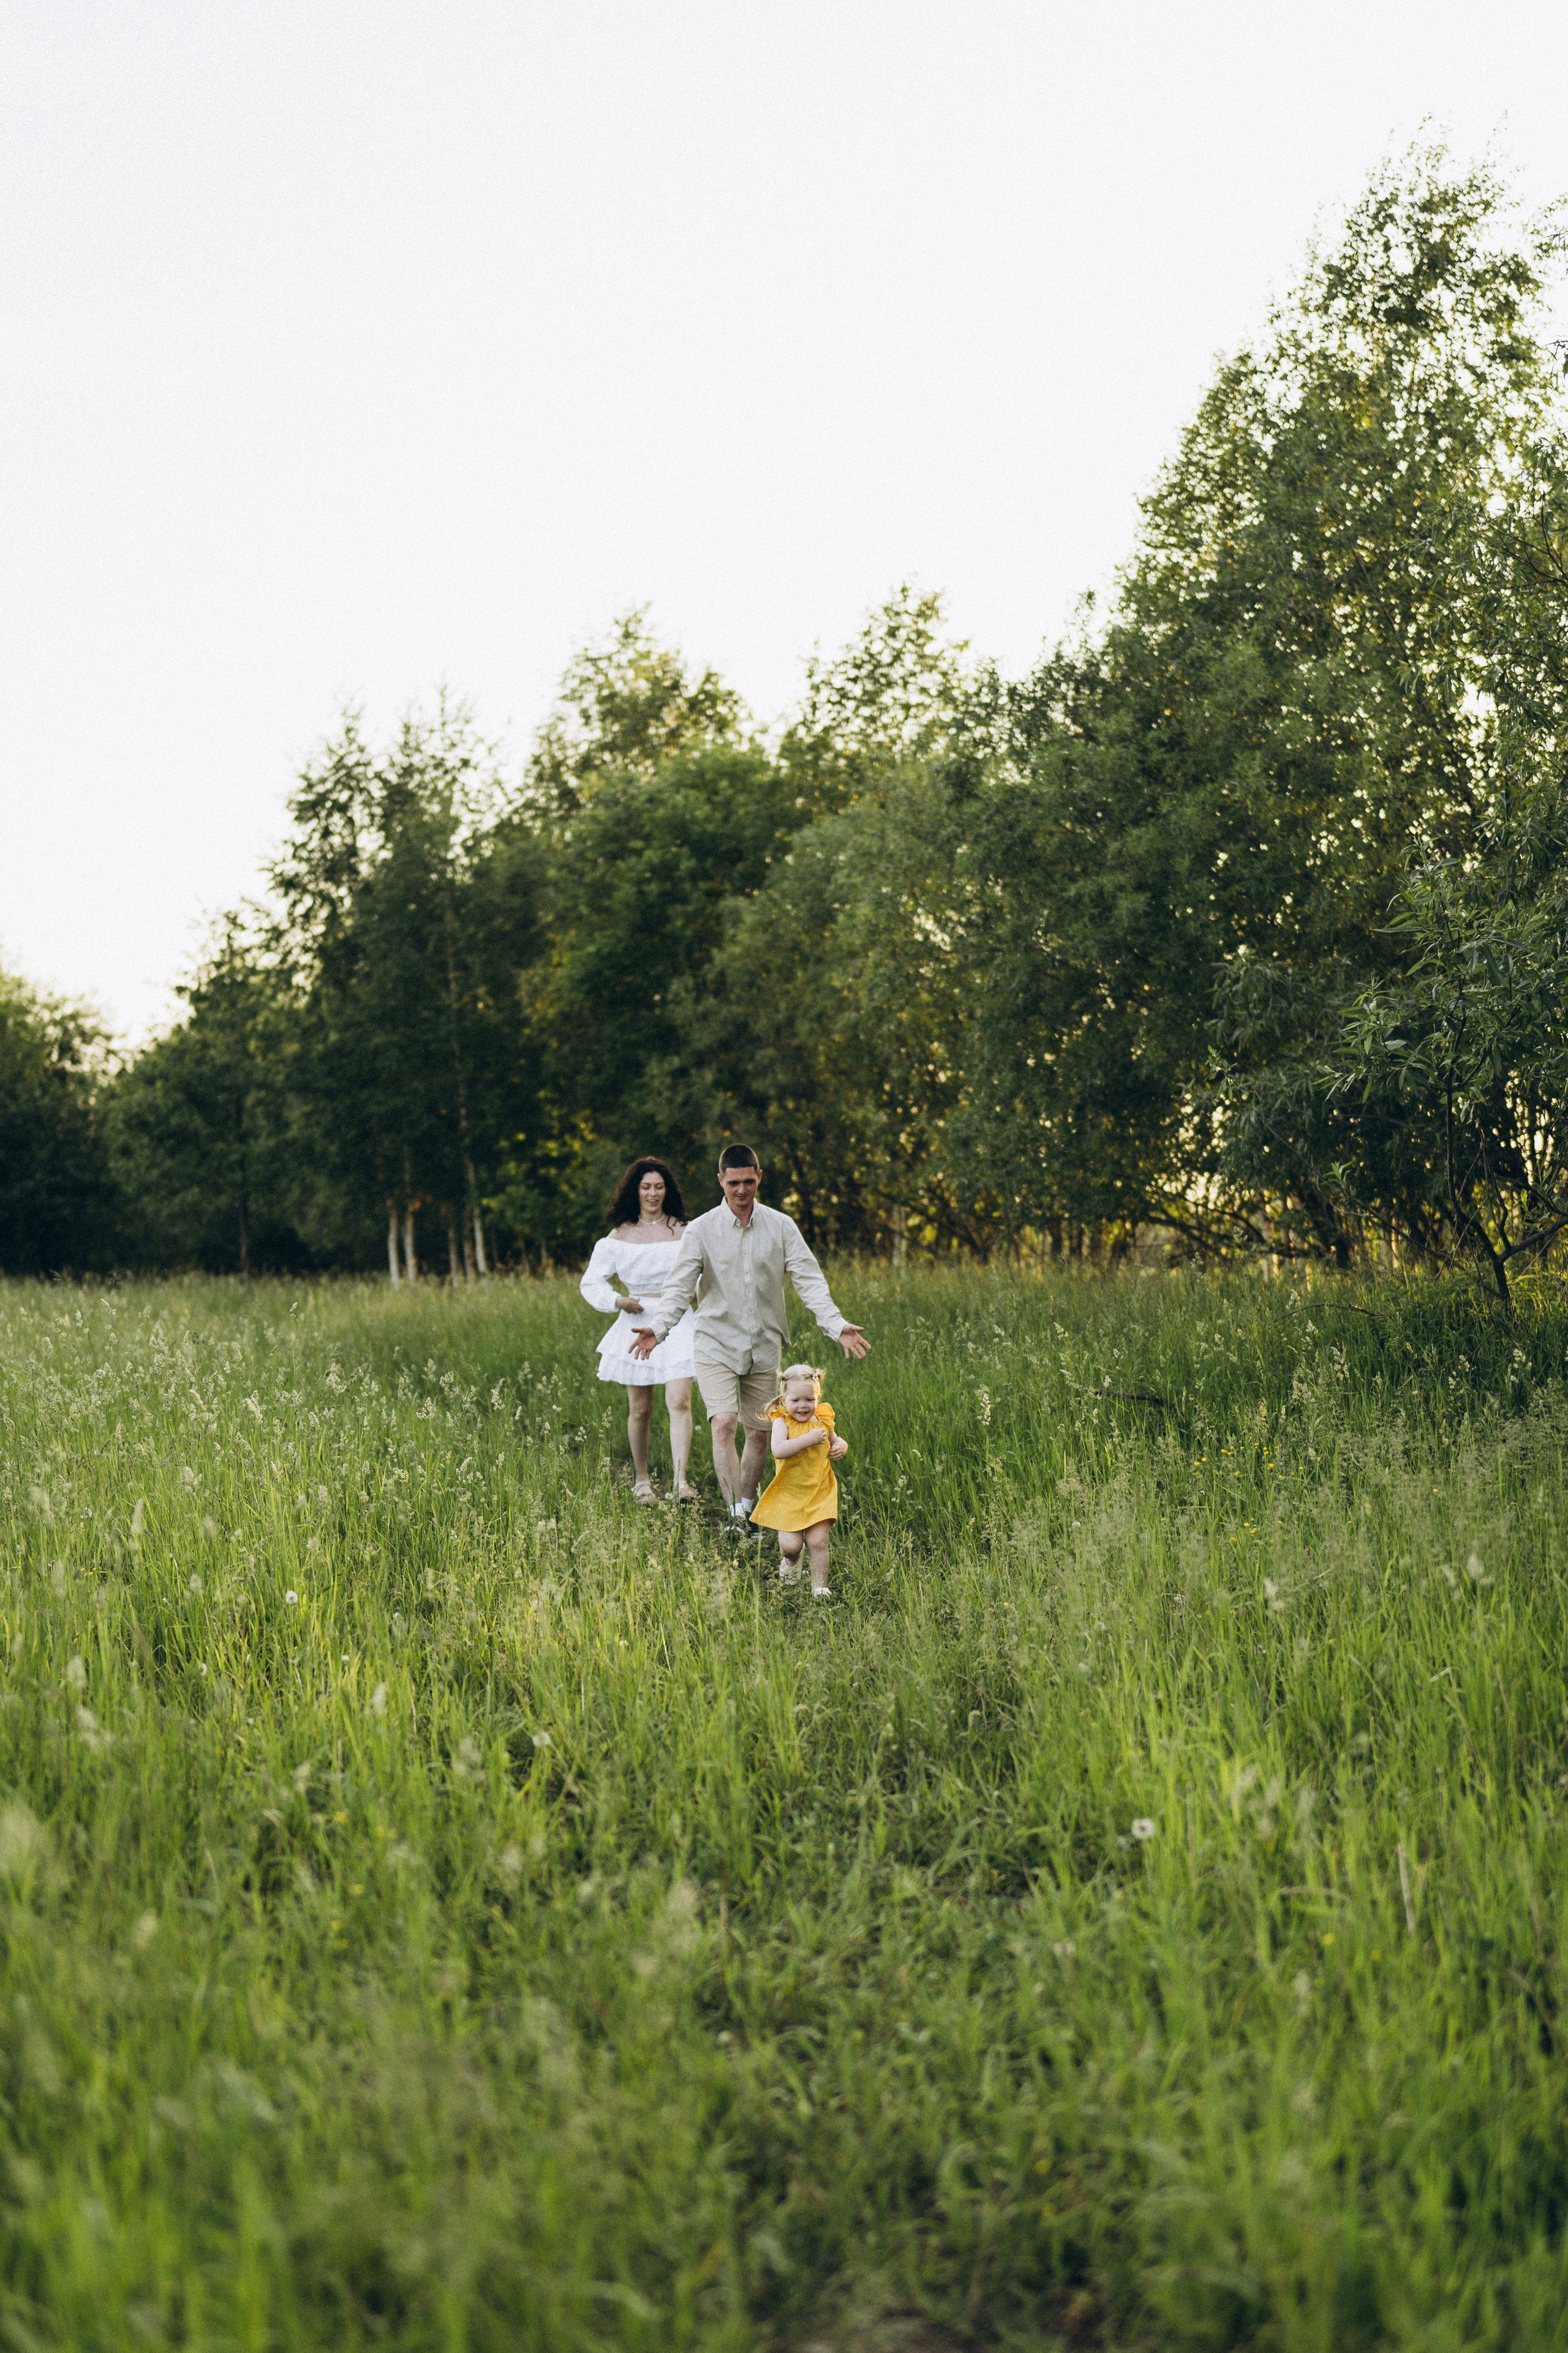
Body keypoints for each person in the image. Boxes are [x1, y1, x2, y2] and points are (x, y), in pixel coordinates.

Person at [630, 1143, 868, 1536]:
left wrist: (836, 1325)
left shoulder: (781, 1226)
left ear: (759, 1178)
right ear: (721, 1181)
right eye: (734, 1183)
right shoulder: (702, 1230)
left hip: (763, 1344)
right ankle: (735, 1517)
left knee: (759, 1433)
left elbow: (809, 1280)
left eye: (749, 1182)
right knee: (724, 1424)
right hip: (715, 1341)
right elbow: (679, 1287)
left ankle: (746, 1507)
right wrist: (659, 1329)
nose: (742, 1190)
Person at [579, 1157, 699, 1505]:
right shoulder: (620, 1236)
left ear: (667, 1190)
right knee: (641, 1409)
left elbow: (705, 1270)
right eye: (646, 1187)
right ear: (636, 1191)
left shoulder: (685, 1230)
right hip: (637, 1321)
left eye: (659, 1187)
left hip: (677, 1319)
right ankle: (642, 1481)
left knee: (680, 1400)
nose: (653, 1193)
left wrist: (695, 1291)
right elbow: (591, 1282)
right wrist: (618, 1301)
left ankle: (680, 1482)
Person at [750, 1364, 847, 1596]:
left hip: (820, 1491)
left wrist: (842, 1445)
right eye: (796, 1401)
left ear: (818, 1398)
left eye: (809, 1400)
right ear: (784, 1400)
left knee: (819, 1542)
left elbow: (835, 1440)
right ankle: (792, 1562)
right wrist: (809, 1439)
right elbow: (779, 1450)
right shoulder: (781, 1422)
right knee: (790, 1547)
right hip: (789, 1493)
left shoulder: (823, 1419)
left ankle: (819, 1588)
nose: (803, 1406)